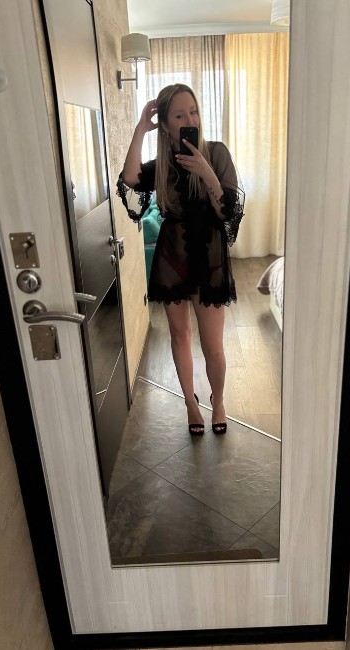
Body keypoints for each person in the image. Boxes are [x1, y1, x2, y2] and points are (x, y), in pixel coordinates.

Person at [117, 83, 244, 435]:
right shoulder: (164, 164)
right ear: (166, 126)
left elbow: (227, 212)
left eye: (194, 112)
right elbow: (130, 177)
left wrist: (205, 171)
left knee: (213, 344)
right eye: (179, 115)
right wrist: (141, 128)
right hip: (173, 255)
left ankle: (218, 401)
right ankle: (190, 402)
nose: (191, 120)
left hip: (209, 254)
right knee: (179, 335)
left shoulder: (216, 153)